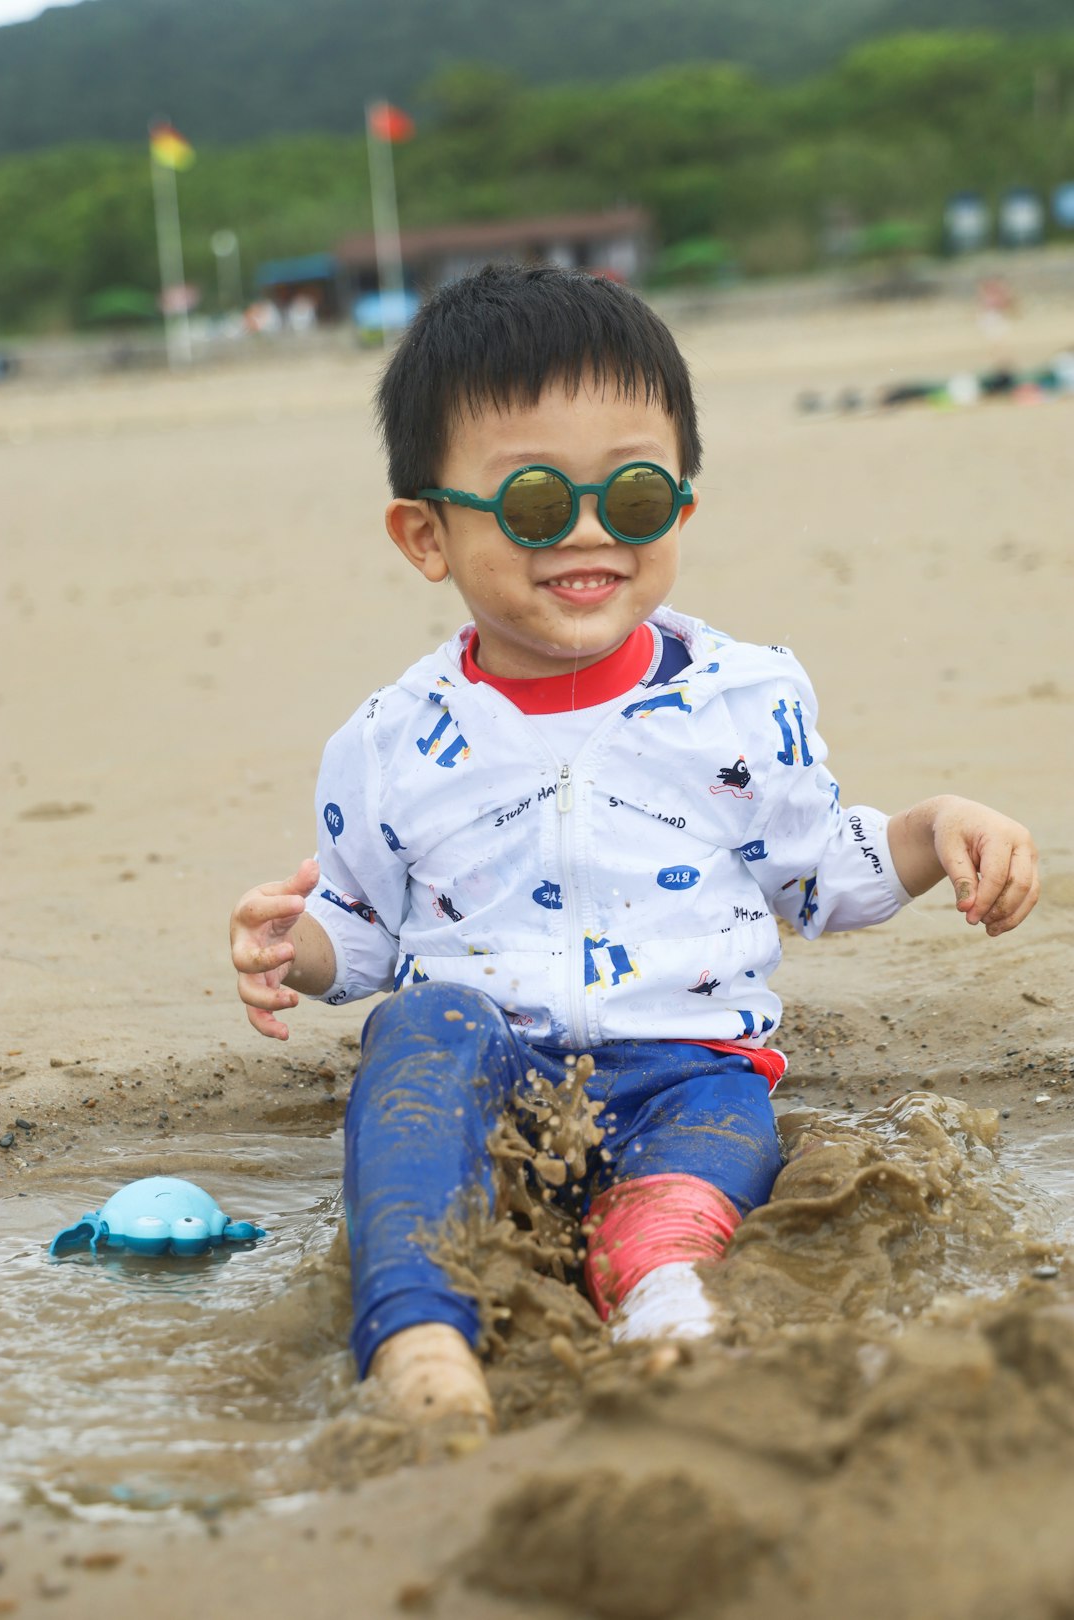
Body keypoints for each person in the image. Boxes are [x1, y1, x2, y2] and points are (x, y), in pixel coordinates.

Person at [229, 265, 1038, 1429]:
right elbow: (362, 927)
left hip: (693, 1072)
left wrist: (930, 830)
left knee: (682, 1202)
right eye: (537, 505)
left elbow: (816, 876)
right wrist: (291, 948)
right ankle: (416, 1336)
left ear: (682, 511)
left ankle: (672, 1319)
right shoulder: (391, 739)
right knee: (413, 1034)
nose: (593, 531)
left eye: (638, 498)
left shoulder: (742, 700)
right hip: (484, 1068)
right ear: (425, 533)